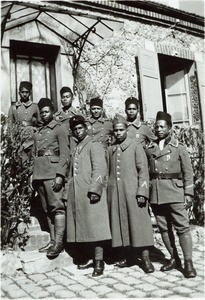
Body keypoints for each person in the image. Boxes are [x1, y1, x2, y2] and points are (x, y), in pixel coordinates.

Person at [145, 111, 197, 278]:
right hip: (157, 194)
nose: (159, 129)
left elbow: (188, 172)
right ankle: (174, 259)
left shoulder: (178, 147)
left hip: (175, 192)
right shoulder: (150, 148)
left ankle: (188, 263)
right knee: (164, 229)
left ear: (169, 128)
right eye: (157, 126)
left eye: (162, 127)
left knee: (182, 228)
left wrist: (188, 193)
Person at [107, 114, 155, 273]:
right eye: (115, 131)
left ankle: (146, 259)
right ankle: (128, 257)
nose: (118, 133)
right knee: (122, 225)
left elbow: (144, 171)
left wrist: (142, 191)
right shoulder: (111, 149)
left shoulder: (135, 146)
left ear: (126, 130)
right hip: (117, 195)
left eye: (121, 130)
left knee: (138, 224)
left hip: (134, 194)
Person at [66, 115, 111, 277]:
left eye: (80, 128)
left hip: (91, 193)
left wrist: (95, 190)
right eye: (75, 129)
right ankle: (90, 258)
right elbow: (72, 172)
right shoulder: (76, 148)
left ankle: (99, 262)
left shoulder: (94, 145)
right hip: (78, 195)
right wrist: (68, 192)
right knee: (85, 227)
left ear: (86, 129)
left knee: (96, 228)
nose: (78, 132)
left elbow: (99, 169)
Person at [31, 98, 69, 258]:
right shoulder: (38, 132)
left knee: (57, 207)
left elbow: (65, 154)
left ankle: (59, 243)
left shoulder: (59, 128)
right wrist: (32, 175)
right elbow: (33, 154)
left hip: (52, 172)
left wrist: (60, 174)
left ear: (53, 112)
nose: (44, 115)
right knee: (47, 209)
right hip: (40, 173)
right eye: (42, 112)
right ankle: (53, 240)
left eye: (47, 111)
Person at [7, 81, 42, 160]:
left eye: (27, 92)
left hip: (31, 139)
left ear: (30, 93)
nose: (25, 94)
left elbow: (41, 124)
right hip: (18, 139)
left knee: (30, 162)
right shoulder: (14, 108)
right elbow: (9, 126)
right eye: (23, 92)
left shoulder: (35, 107)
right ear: (19, 93)